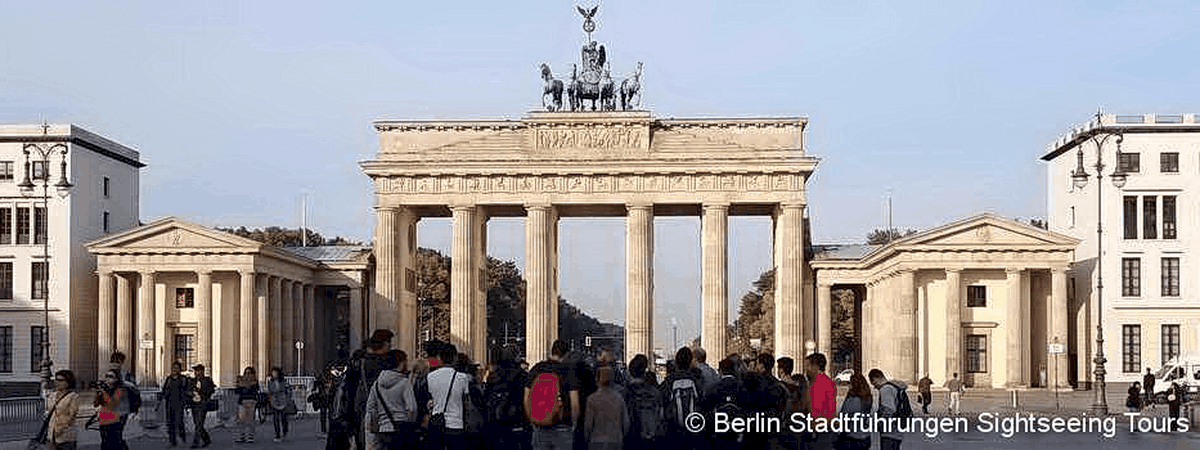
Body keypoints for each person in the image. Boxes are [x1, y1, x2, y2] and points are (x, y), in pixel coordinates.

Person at [527, 340, 580, 450]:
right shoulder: (568, 371)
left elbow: (526, 397)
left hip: (540, 425)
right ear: (566, 354)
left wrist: (532, 420)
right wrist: (574, 424)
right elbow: (574, 403)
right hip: (562, 426)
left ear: (551, 351)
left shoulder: (537, 369)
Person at [366, 350, 417, 450]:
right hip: (401, 428)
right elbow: (412, 408)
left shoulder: (377, 384)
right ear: (401, 362)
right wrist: (410, 423)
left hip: (383, 429)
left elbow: (371, 407)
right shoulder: (404, 382)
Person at [428, 343, 473, 450]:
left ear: (439, 358)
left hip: (436, 423)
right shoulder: (462, 377)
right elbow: (467, 403)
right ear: (455, 358)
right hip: (456, 424)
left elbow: (431, 398)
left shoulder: (430, 376)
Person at [486, 345, 531, 450]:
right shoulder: (522, 375)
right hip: (516, 417)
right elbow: (526, 397)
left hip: (496, 419)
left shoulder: (493, 375)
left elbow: (487, 395)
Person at [356, 330, 394, 450]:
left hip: (368, 413)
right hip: (387, 415)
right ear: (385, 343)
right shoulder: (389, 363)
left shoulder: (362, 363)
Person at [659, 347, 703, 450]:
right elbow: (702, 401)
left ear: (677, 362)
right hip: (693, 429)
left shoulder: (670, 380)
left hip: (674, 430)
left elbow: (662, 400)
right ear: (690, 361)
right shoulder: (696, 379)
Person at [701, 357, 742, 450]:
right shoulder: (743, 388)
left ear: (720, 371)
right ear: (734, 370)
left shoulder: (713, 389)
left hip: (719, 436)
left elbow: (705, 412)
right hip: (738, 434)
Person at [623, 354, 661, 450]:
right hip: (650, 436)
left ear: (630, 372)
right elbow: (660, 415)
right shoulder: (655, 392)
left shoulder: (624, 393)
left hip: (631, 437)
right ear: (645, 369)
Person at [584, 367, 628, 450]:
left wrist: (586, 439)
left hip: (596, 440)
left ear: (597, 379)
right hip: (615, 440)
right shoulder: (619, 398)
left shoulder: (592, 399)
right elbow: (625, 423)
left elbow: (588, 424)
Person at [806, 353, 837, 450]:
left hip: (820, 431)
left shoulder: (818, 383)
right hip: (828, 428)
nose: (807, 369)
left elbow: (816, 410)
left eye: (808, 366)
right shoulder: (829, 381)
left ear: (815, 366)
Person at [869, 369, 905, 450]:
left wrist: (880, 424)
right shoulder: (894, 387)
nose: (875, 387)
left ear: (877, 378)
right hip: (897, 432)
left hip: (889, 433)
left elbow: (889, 410)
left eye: (874, 383)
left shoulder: (886, 389)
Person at [835, 374, 872, 450]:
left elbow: (842, 418)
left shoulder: (853, 401)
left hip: (852, 438)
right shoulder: (867, 399)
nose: (848, 386)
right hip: (865, 436)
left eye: (850, 383)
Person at [45, 370, 80, 450]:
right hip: (51, 434)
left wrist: (60, 429)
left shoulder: (73, 396)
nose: (57, 382)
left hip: (66, 435)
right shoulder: (52, 395)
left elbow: (71, 416)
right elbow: (49, 412)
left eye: (60, 380)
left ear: (68, 382)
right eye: (56, 380)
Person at [161, 361, 192, 447]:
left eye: (176, 367)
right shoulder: (169, 379)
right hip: (170, 404)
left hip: (179, 404)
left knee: (179, 422)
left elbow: (187, 390)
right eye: (173, 367)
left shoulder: (183, 379)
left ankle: (182, 438)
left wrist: (186, 401)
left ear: (179, 369)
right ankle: (172, 441)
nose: (175, 369)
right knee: (170, 422)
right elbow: (164, 390)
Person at [96, 369, 128, 450]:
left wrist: (103, 393)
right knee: (105, 444)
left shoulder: (119, 390)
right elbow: (96, 404)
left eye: (111, 376)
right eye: (106, 376)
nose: (107, 378)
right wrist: (97, 393)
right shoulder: (105, 389)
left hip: (114, 422)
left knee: (114, 445)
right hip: (103, 421)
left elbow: (112, 405)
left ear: (116, 379)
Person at [189, 364, 215, 448]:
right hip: (194, 404)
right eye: (195, 371)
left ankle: (195, 442)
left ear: (202, 371)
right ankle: (206, 439)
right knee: (197, 423)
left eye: (198, 370)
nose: (196, 372)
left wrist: (203, 393)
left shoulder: (207, 380)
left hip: (203, 404)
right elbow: (187, 390)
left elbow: (211, 390)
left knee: (199, 423)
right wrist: (190, 393)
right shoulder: (192, 380)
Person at [234, 367, 260, 444]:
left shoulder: (255, 381)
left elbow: (256, 390)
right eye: (246, 373)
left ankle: (250, 436)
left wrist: (248, 387)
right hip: (242, 401)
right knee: (241, 420)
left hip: (251, 401)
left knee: (250, 420)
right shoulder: (241, 380)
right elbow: (237, 391)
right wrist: (239, 386)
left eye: (249, 373)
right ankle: (241, 435)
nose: (247, 375)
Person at [267, 367, 292, 443]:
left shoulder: (284, 381)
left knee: (284, 418)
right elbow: (269, 391)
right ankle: (277, 434)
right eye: (273, 373)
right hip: (274, 401)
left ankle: (285, 431)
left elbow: (288, 389)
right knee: (276, 419)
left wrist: (288, 398)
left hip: (283, 400)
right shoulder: (270, 382)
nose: (274, 374)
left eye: (275, 372)